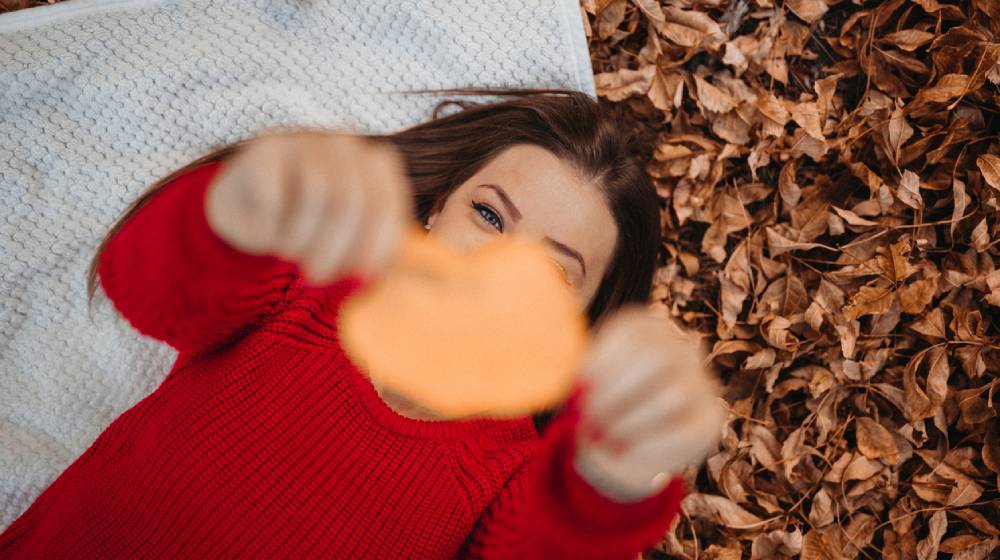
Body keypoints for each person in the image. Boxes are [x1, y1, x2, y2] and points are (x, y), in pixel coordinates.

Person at [0, 89, 725, 559]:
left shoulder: (508, 475)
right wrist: (235, 209)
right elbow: (155, 283)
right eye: (488, 215)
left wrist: (611, 480)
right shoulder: (310, 285)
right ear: (436, 208)